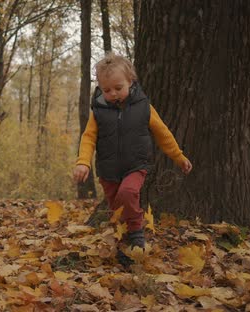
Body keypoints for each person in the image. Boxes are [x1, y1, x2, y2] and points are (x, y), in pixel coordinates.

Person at [73, 53, 192, 267]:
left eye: (118, 88)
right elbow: (88, 137)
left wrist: (178, 156)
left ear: (131, 81)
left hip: (136, 165)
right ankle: (123, 245)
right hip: (108, 171)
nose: (113, 94)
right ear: (100, 87)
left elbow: (162, 133)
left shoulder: (143, 106)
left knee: (128, 194)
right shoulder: (98, 111)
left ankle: (137, 232)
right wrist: (83, 162)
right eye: (107, 90)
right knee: (117, 209)